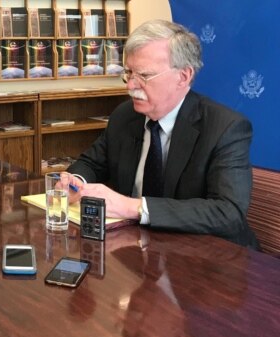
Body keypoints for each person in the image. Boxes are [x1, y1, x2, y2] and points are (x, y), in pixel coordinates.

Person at [62, 19, 258, 249]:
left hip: (209, 258)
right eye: (128, 73)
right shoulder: (125, 115)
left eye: (143, 76)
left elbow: (228, 212)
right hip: (139, 250)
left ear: (183, 76)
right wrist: (76, 182)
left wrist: (132, 207)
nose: (130, 86)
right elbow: (91, 163)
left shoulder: (225, 127)